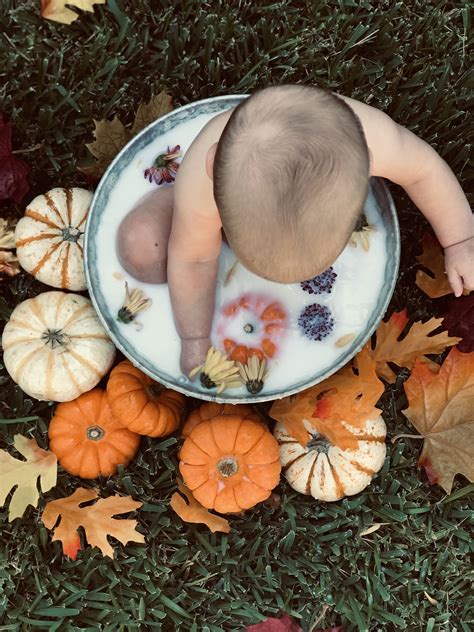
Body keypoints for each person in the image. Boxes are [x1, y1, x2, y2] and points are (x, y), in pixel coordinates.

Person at [116, 85, 473, 375]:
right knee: (144, 251)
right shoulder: (202, 178)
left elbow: (424, 169)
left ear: (368, 163)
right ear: (213, 168)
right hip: (210, 198)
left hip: (255, 197)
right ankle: (172, 203)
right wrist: (194, 337)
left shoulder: (375, 138)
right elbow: (192, 259)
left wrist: (460, 238)